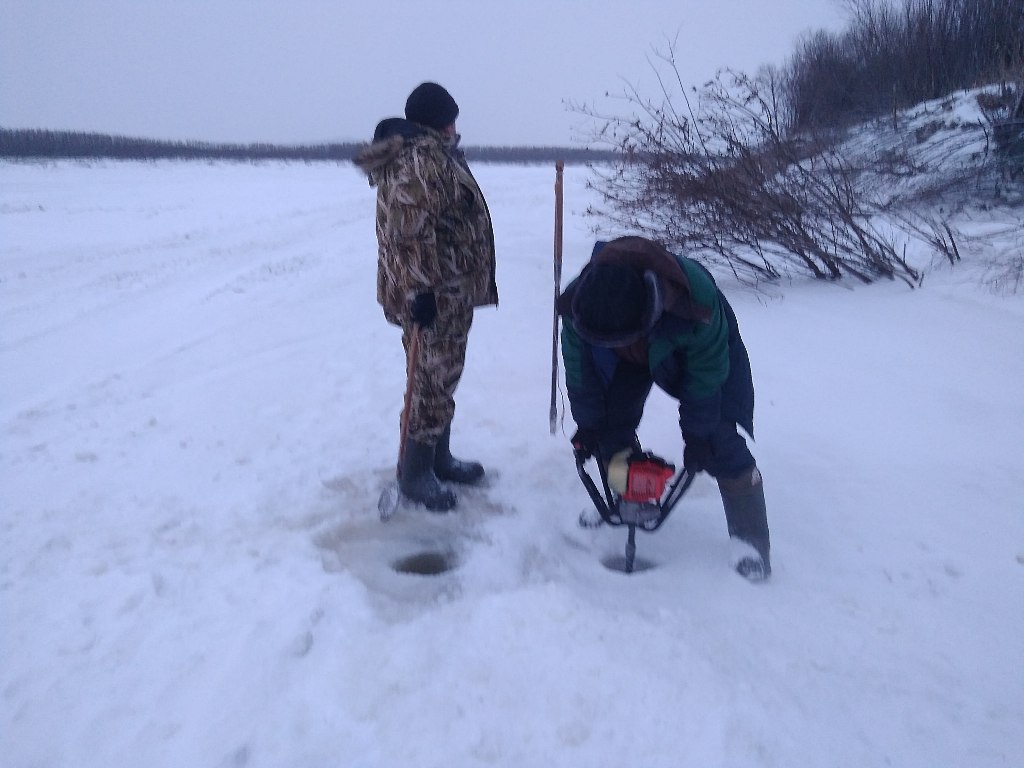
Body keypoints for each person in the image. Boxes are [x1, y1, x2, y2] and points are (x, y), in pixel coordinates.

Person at [556, 235, 771, 581]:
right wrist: (589, 423)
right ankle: (629, 500)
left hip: (687, 347)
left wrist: (698, 434)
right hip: (625, 355)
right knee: (608, 429)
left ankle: (750, 541)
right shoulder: (580, 303)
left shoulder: (694, 300)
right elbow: (580, 369)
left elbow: (707, 374)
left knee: (717, 437)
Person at [354, 82, 498, 512]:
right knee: (430, 380)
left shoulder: (435, 156)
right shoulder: (419, 161)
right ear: (440, 121)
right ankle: (415, 472)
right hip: (434, 294)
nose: (455, 126)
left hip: (450, 290)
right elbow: (407, 235)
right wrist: (420, 293)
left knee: (442, 376)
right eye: (451, 118)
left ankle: (437, 458)